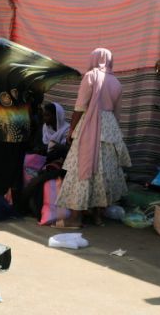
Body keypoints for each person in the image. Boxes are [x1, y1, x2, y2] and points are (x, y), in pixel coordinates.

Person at [55, 48, 131, 228]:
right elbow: (117, 114)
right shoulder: (117, 82)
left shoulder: (90, 77)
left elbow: (80, 107)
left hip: (89, 126)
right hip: (110, 129)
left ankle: (75, 218)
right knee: (103, 174)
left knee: (81, 170)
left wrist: (71, 130)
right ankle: (98, 217)